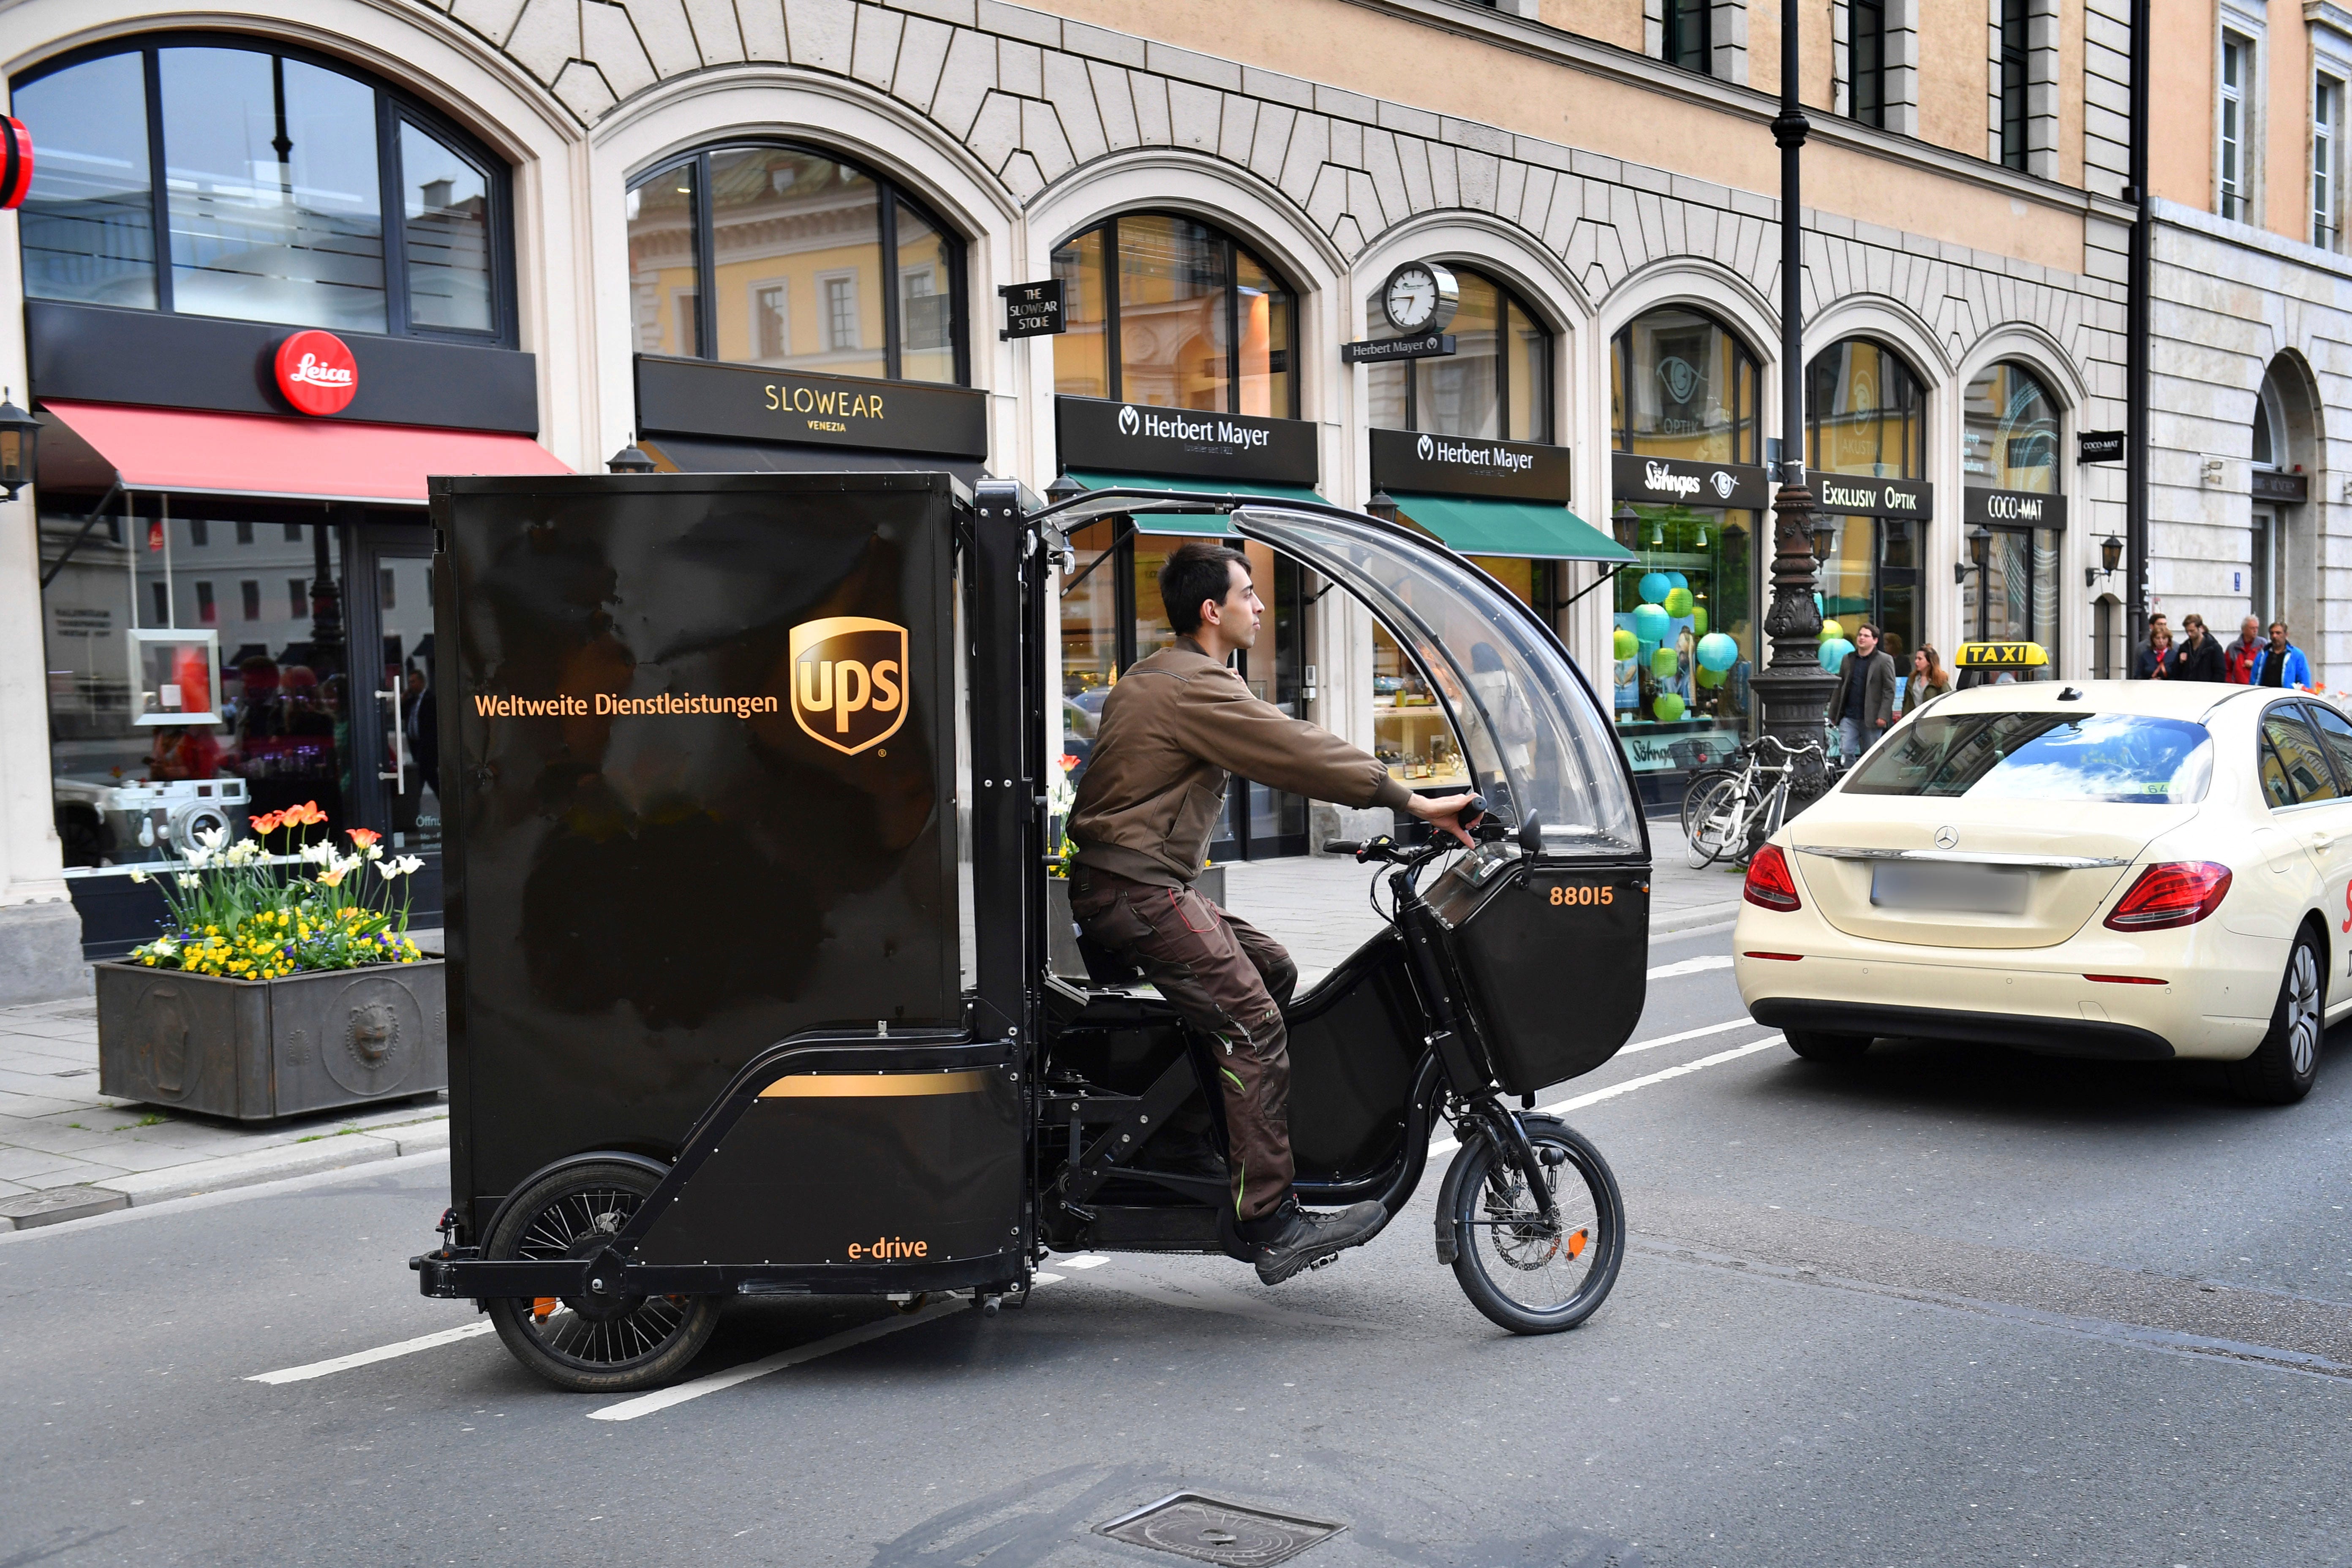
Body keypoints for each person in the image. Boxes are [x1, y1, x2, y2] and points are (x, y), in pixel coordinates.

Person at [1064, 542, 1480, 1285]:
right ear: (1210, 611)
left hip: (1135, 882)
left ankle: (1192, 1136)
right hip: (1137, 891)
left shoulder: (1155, 675)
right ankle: (1270, 1218)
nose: (1259, 606)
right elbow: (1297, 750)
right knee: (1251, 1021)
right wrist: (1411, 800)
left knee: (1272, 968)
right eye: (1248, 595)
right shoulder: (1193, 687)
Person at [1827, 621, 1897, 760]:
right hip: (1849, 716)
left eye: (1866, 636)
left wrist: (1883, 715)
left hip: (1872, 718)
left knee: (1871, 756)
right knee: (1846, 750)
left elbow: (1889, 690)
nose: (1862, 638)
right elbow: (1840, 687)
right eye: (1860, 635)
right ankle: (1849, 778)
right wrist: (1833, 714)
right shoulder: (1848, 659)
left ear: (1875, 640)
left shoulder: (1884, 660)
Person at [2250, 621, 2314, 689]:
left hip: (2286, 698)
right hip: (2266, 696)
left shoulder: (2297, 655)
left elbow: (2305, 681)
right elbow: (2254, 680)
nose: (2274, 636)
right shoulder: (2262, 655)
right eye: (2272, 633)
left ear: (2286, 635)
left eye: (2278, 633)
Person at [2168, 613, 2226, 681]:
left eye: (2192, 631)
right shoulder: (2184, 648)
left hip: (2207, 688)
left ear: (2200, 628)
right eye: (2187, 631)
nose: (2189, 634)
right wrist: (2180, 663)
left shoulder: (2214, 648)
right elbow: (2175, 673)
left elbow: (2220, 673)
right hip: (2187, 688)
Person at [1905, 645, 1950, 711]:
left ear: (1929, 662)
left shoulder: (1940, 680)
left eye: (1920, 659)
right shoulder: (1912, 679)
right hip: (1913, 719)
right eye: (1916, 658)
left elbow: (1948, 701)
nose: (1916, 662)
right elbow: (1906, 703)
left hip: (1932, 719)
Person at [2226, 615, 2264, 684]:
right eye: (2252, 628)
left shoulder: (2264, 645)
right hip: (2237, 687)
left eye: (2257, 628)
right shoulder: (2233, 648)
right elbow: (2227, 669)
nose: (2255, 631)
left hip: (2257, 687)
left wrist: (2254, 665)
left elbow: (2268, 666)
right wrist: (2230, 683)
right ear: (2244, 630)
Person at [2132, 612, 2169, 678]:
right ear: (2151, 626)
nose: (2163, 627)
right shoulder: (2142, 648)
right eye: (2160, 624)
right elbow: (2137, 673)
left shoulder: (2175, 648)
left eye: (2165, 625)